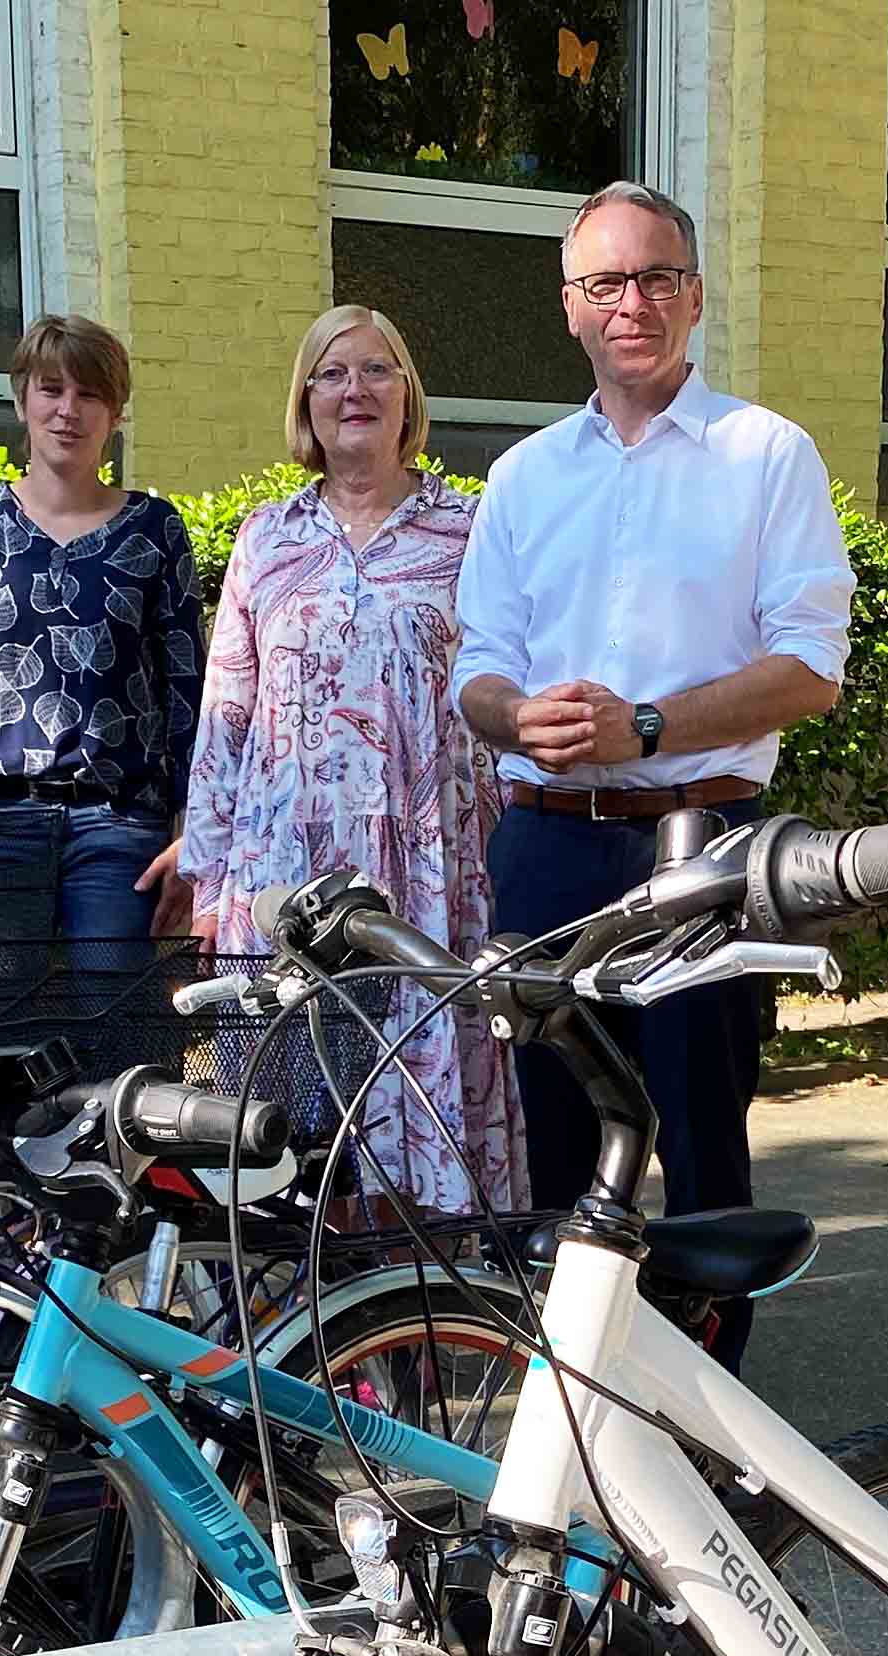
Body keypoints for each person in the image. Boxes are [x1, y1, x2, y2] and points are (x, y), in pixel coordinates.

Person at [449, 178, 850, 1365]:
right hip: (547, 844)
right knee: (557, 1141)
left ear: (695, 296)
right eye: (607, 283)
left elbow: (811, 667)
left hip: (704, 839)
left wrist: (651, 726)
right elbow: (477, 670)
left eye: (658, 278)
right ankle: (582, 1401)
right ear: (570, 307)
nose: (634, 303)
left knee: (703, 1149)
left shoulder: (766, 455)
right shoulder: (525, 476)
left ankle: (714, 1431)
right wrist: (520, 717)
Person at [169, 304, 523, 1214]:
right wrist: (211, 885)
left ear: (408, 395)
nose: (354, 390)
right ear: (306, 402)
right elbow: (226, 714)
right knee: (284, 1130)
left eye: (376, 370)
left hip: (427, 879)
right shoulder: (267, 537)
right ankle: (298, 1337)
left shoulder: (470, 530)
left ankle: (429, 1323)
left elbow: (507, 691)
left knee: (419, 1104)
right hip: (282, 873)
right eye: (331, 373)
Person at [0, 315, 204, 1046]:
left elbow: (191, 700)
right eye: (51, 389)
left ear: (116, 412)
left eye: (90, 394)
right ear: (21, 401)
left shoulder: (154, 531)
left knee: (115, 1049)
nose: (69, 410)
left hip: (120, 832)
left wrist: (191, 841)